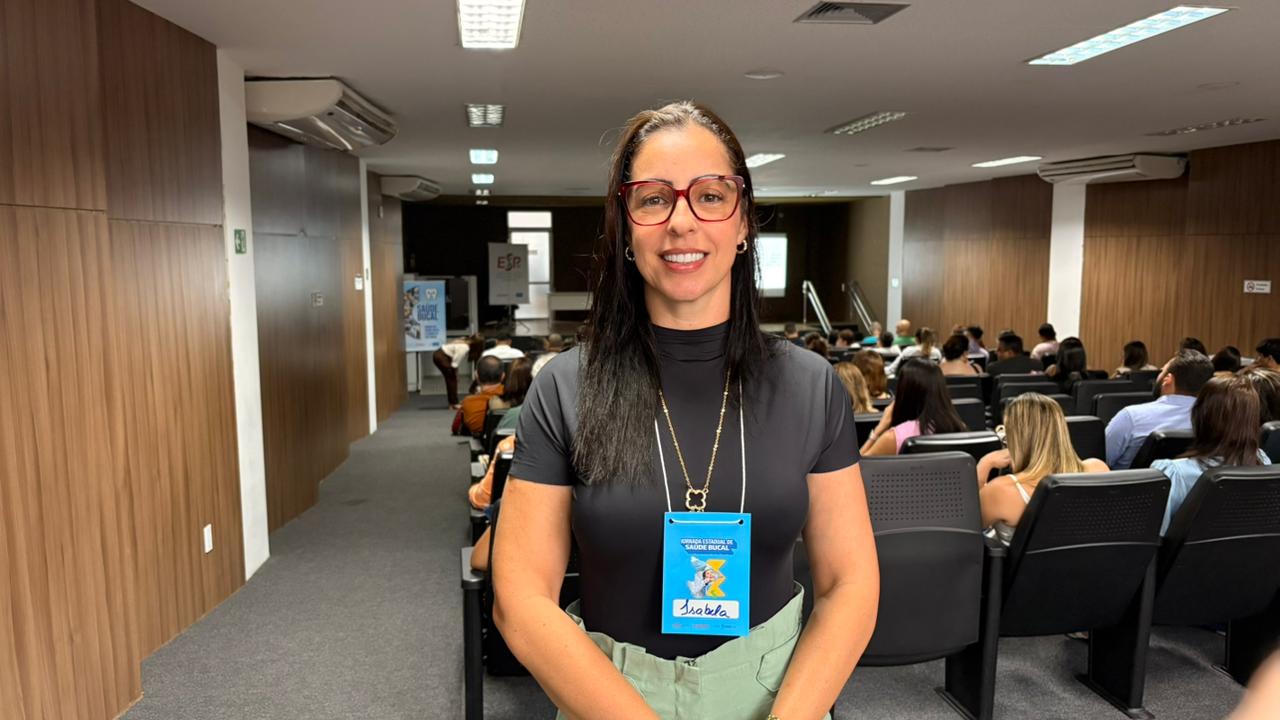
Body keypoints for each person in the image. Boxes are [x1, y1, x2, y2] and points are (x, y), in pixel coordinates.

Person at [492, 101, 878, 720]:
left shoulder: (811, 386)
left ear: (744, 220)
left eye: (710, 195)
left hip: (778, 695)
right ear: (625, 228)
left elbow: (849, 584)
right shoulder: (566, 387)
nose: (682, 222)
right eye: (653, 199)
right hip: (609, 699)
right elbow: (521, 598)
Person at [977, 393, 1109, 544]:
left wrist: (983, 465)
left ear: (1016, 438)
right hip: (1094, 565)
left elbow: (969, 526)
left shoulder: (1002, 490)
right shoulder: (1099, 469)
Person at [1151, 376, 1271, 534]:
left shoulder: (1173, 475)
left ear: (1200, 416)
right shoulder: (1263, 461)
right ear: (1252, 420)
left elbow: (1153, 543)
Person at [1105, 350, 1214, 469]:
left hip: (1130, 486)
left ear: (1168, 379)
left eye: (1162, 371)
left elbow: (1099, 463)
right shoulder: (1218, 423)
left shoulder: (1131, 417)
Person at [861, 358, 967, 456]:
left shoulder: (893, 437)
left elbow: (855, 469)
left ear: (904, 391)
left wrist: (877, 431)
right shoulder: (959, 429)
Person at [452, 355, 506, 436]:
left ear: (476, 376)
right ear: (503, 376)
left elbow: (455, 427)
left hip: (482, 441)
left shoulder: (468, 402)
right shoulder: (513, 397)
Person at [433, 334, 479, 409]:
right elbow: (455, 364)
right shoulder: (464, 347)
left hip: (439, 354)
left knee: (450, 380)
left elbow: (454, 363)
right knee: (452, 380)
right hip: (441, 357)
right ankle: (454, 403)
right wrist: (456, 375)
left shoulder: (464, 339)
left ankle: (452, 403)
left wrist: (456, 374)